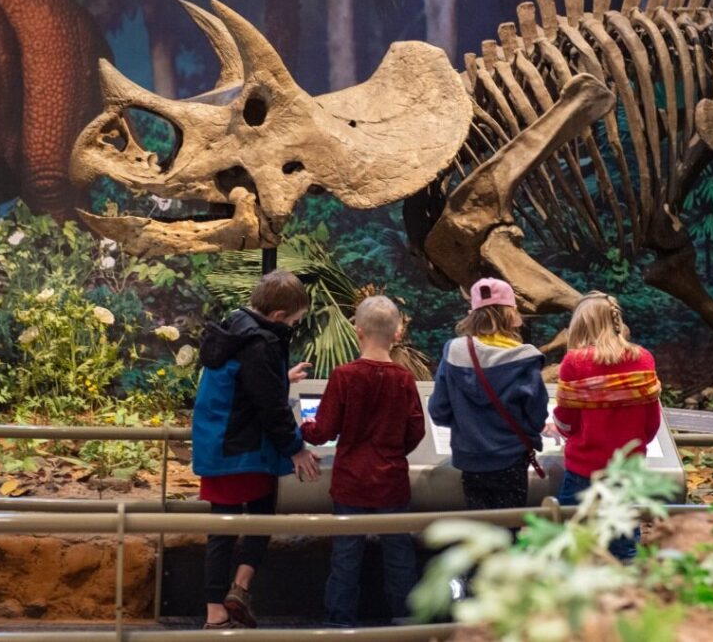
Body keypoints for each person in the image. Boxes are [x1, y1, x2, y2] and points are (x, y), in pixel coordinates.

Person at [193, 270, 321, 630]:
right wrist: (296, 448)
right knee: (234, 526)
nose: (295, 325)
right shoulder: (260, 344)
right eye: (295, 321)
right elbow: (270, 406)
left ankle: (233, 595)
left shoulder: (236, 328)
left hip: (227, 446)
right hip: (239, 449)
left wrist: (283, 376)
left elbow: (251, 382)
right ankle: (218, 609)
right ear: (279, 316)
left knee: (243, 521)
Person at [300, 295, 426, 627]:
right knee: (399, 556)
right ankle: (406, 623)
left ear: (357, 331)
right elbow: (416, 430)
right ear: (397, 333)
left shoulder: (344, 376)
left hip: (350, 481)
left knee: (345, 557)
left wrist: (300, 428)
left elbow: (324, 429)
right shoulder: (404, 379)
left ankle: (340, 624)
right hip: (391, 482)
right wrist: (394, 453)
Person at [552, 291, 662, 561]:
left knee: (571, 543)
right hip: (626, 471)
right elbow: (651, 424)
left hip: (583, 469)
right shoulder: (643, 358)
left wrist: (561, 429)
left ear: (582, 323)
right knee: (624, 546)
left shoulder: (575, 362)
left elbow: (566, 420)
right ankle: (627, 600)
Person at [428, 278, 549, 510]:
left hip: (470, 460)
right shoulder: (525, 359)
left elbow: (438, 411)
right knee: (509, 531)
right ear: (511, 313)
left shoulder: (453, 352)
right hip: (511, 460)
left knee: (483, 532)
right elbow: (536, 417)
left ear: (472, 314)